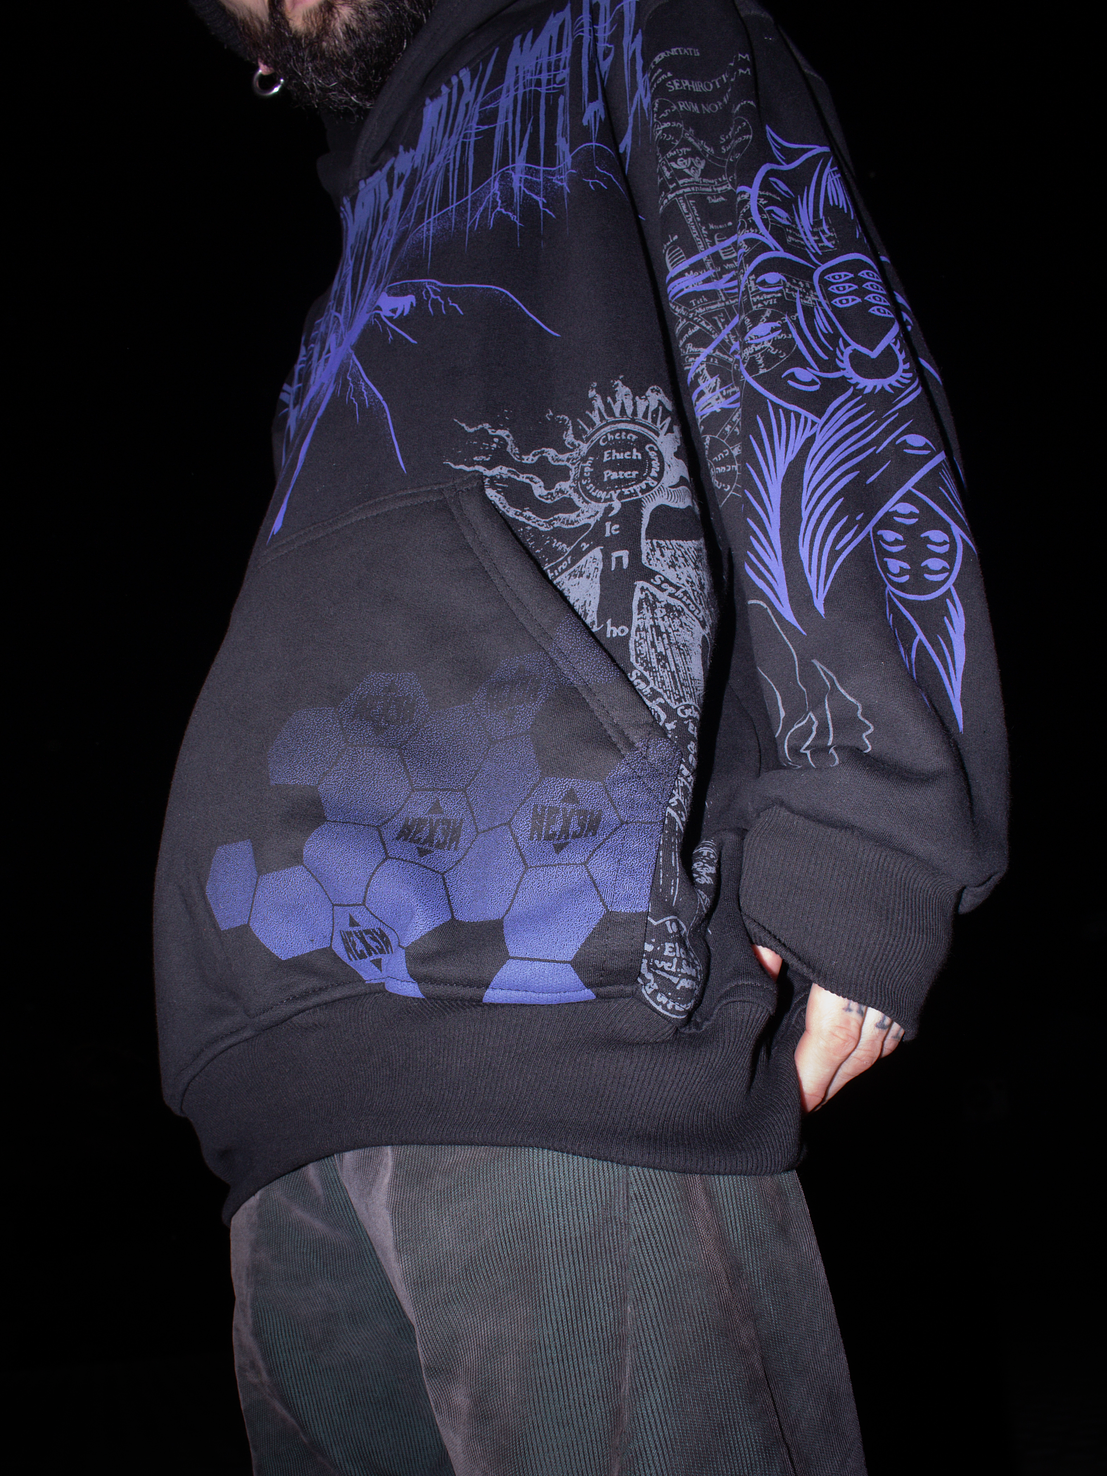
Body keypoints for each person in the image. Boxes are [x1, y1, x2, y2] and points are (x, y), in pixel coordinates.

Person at [157, 1, 1008, 1470]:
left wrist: (869, 827)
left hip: (554, 1002)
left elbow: (808, 360)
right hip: (271, 1071)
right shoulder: (358, 242)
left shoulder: (631, 21)